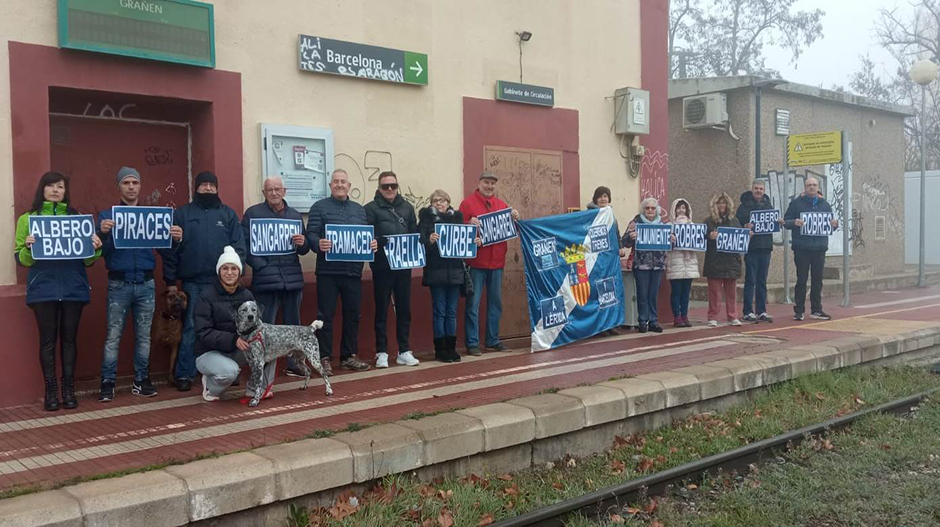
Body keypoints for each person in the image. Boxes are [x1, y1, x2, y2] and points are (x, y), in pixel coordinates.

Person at [15, 171, 102, 411]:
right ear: (42, 189)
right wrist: (29, 248)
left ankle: (68, 390)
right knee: (48, 341)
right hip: (43, 289)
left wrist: (95, 247)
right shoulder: (28, 219)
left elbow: (88, 260)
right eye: (51, 186)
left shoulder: (77, 218)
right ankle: (51, 391)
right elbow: (21, 258)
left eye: (60, 187)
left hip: (73, 288)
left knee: (70, 340)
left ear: (65, 191)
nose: (55, 190)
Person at [96, 167, 183, 402]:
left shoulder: (152, 216)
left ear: (140, 186)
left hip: (146, 283)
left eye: (135, 182)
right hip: (119, 283)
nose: (131, 186)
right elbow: (98, 252)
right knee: (113, 336)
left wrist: (175, 239)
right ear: (119, 187)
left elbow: (167, 252)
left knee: (144, 336)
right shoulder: (107, 217)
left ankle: (141, 379)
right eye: (126, 183)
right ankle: (108, 381)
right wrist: (102, 234)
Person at [162, 171, 246, 392]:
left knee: (226, 327)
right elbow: (169, 250)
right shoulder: (181, 214)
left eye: (211, 185)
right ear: (196, 188)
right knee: (191, 327)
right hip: (193, 283)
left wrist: (236, 275)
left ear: (217, 188)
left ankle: (229, 371)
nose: (208, 188)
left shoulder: (228, 214)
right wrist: (170, 279)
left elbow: (239, 248)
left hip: (223, 284)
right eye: (203, 185)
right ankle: (185, 374)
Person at [306, 169, 376, 374]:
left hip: (353, 271)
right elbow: (310, 233)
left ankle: (349, 355)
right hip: (328, 272)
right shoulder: (319, 207)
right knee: (325, 316)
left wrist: (372, 244)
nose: (339, 184)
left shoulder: (359, 210)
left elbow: (366, 236)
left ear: (349, 186)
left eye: (343, 182)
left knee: (353, 315)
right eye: (335, 181)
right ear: (330, 186)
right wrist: (318, 242)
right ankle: (324, 357)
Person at [241, 176, 309, 377]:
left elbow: (304, 250)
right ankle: (259, 365)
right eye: (270, 189)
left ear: (284, 191)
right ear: (264, 193)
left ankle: (294, 364)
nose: (274, 193)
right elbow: (245, 245)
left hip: (292, 280)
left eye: (278, 189)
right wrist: (261, 266)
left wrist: (303, 242)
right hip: (266, 281)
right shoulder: (253, 214)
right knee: (262, 326)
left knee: (292, 327)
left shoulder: (295, 216)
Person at [194, 246, 274, 403]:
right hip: (208, 352)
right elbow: (203, 331)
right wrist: (233, 339)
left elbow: (256, 324)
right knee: (229, 372)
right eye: (225, 268)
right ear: (219, 271)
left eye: (233, 268)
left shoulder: (246, 295)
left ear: (239, 272)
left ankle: (256, 389)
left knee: (270, 345)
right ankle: (210, 387)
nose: (229, 272)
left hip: (237, 350)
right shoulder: (206, 296)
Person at [458, 171, 521, 355]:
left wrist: (515, 217)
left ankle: (492, 340)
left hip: (497, 263)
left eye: (492, 183)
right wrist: (468, 223)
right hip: (476, 263)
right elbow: (457, 228)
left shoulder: (501, 205)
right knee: (473, 304)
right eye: (486, 182)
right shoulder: (467, 203)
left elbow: (510, 230)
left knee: (495, 304)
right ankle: (472, 343)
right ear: (479, 183)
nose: (489, 186)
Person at [365, 171, 420, 369]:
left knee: (404, 309)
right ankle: (381, 352)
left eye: (393, 186)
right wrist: (377, 243)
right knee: (381, 309)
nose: (389, 189)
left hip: (403, 267)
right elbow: (366, 237)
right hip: (381, 267)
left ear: (397, 187)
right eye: (385, 186)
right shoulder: (370, 209)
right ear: (379, 188)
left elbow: (415, 233)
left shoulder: (407, 207)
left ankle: (404, 350)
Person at [419, 189, 482, 362]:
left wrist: (474, 241)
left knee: (451, 311)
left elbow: (462, 243)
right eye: (435, 201)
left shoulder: (457, 218)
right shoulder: (425, 219)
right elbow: (419, 242)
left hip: (455, 272)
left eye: (443, 200)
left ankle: (451, 348)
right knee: (439, 311)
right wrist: (429, 240)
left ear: (448, 202)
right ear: (431, 203)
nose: (439, 203)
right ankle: (440, 349)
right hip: (436, 272)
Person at [784, 177, 839, 321]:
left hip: (819, 248)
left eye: (814, 185)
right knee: (801, 279)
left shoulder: (825, 205)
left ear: (818, 187)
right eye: (809, 185)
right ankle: (799, 310)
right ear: (805, 187)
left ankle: (816, 309)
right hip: (802, 248)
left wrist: (834, 224)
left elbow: (830, 223)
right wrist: (794, 222)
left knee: (817, 280)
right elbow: (786, 221)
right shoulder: (796, 204)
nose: (812, 187)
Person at [737, 179, 782, 323]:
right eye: (756, 188)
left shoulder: (768, 205)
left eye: (761, 189)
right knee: (750, 280)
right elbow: (736, 224)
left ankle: (761, 310)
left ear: (764, 190)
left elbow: (771, 223)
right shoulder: (743, 206)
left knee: (762, 280)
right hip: (751, 247)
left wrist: (778, 222)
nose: (758, 191)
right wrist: (744, 226)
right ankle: (747, 311)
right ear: (752, 189)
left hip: (766, 247)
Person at [622, 197, 668, 333]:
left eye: (652, 208)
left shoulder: (662, 224)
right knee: (642, 294)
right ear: (643, 209)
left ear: (657, 210)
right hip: (641, 265)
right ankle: (642, 321)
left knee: (653, 294)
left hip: (658, 265)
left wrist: (672, 239)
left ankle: (653, 321)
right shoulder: (635, 222)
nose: (650, 210)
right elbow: (624, 241)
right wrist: (630, 237)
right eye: (647, 208)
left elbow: (670, 243)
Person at [587, 186, 627, 336]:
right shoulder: (589, 214)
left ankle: (610, 324)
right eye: (600, 196)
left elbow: (616, 234)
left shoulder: (611, 216)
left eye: (606, 196)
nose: (603, 199)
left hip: (610, 262)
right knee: (596, 292)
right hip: (595, 262)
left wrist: (621, 247)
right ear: (595, 198)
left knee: (609, 292)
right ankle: (598, 326)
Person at [704, 192, 743, 327]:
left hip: (731, 261)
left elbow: (740, 239)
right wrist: (709, 236)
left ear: (728, 205)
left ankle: (732, 316)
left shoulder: (735, 221)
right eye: (719, 203)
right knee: (715, 292)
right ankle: (712, 316)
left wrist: (747, 236)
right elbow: (700, 239)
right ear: (715, 205)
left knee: (731, 292)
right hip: (714, 261)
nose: (722, 205)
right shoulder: (708, 221)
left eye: (724, 203)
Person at [666, 198, 699, 328]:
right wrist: (670, 240)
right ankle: (677, 316)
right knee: (676, 291)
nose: (681, 210)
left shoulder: (692, 226)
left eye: (683, 208)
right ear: (674, 210)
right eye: (679, 207)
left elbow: (698, 244)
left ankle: (684, 315)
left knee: (686, 292)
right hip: (675, 263)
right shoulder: (669, 226)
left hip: (689, 263)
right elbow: (663, 245)